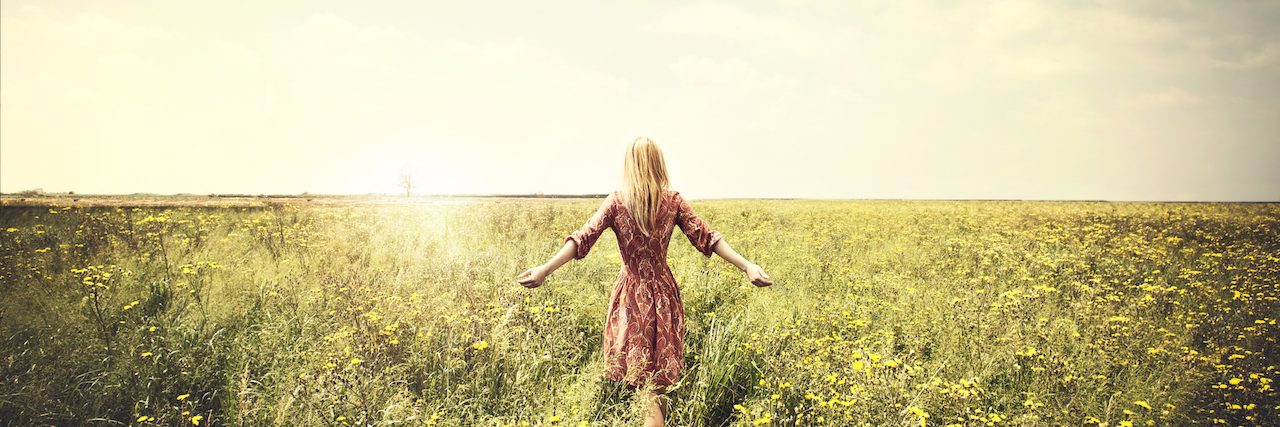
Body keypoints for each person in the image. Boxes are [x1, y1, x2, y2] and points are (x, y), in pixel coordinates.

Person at [515, 137, 774, 426]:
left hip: (631, 297)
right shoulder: (672, 201)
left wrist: (545, 269)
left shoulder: (617, 202)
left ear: (629, 165)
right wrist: (747, 266)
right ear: (657, 163)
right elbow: (708, 238)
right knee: (655, 386)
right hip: (664, 296)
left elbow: (582, 238)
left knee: (645, 386)